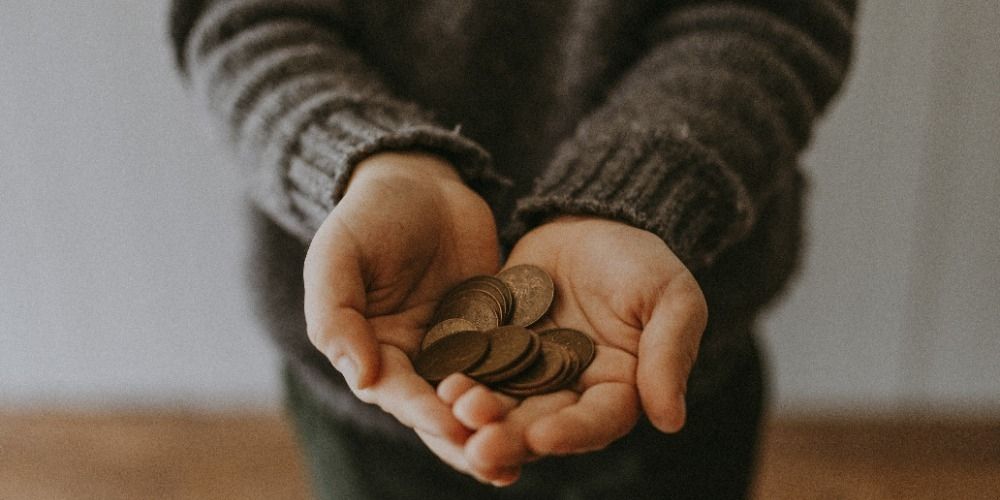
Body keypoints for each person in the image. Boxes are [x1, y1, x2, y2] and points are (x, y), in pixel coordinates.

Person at [170, 1, 856, 498]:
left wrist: (641, 187)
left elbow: (769, 15)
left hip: (664, 351)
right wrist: (364, 161)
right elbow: (240, 20)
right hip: (377, 374)